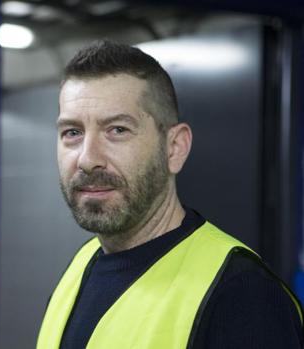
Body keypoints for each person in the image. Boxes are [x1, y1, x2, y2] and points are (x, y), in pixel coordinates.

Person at [36, 40, 303, 349]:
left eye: (117, 130)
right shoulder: (82, 264)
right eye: (72, 132)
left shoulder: (241, 296)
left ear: (174, 148)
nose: (87, 158)